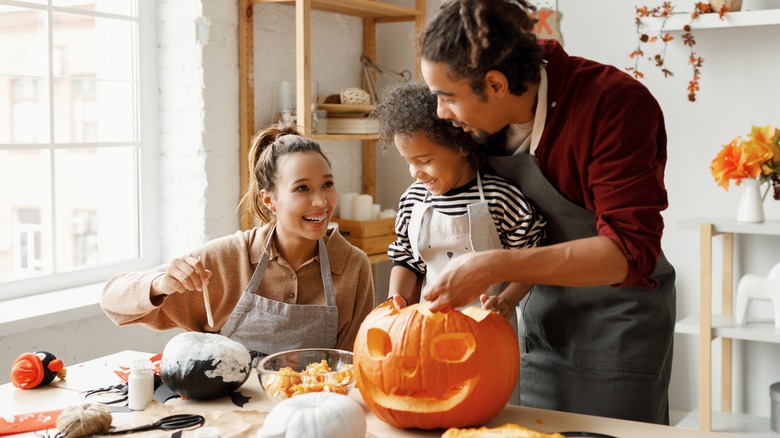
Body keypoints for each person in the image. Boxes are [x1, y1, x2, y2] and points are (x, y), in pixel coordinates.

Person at [417, 0, 676, 425]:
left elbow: (627, 253)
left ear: (497, 85)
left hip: (618, 323)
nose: (441, 113)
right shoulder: (471, 121)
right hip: (535, 319)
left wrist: (491, 265)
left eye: (447, 98)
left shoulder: (614, 105)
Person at [101, 123, 375, 355]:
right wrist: (159, 283)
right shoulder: (231, 259)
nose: (321, 201)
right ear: (270, 200)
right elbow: (112, 300)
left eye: (327, 184)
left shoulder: (352, 266)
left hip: (314, 409)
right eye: (302, 188)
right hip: (230, 413)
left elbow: (353, 366)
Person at [375, 82, 546, 404]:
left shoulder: (501, 197)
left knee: (490, 406)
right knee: (437, 401)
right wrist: (395, 301)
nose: (415, 173)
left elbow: (531, 259)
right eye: (407, 161)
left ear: (462, 144)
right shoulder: (413, 200)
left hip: (489, 331)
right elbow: (407, 259)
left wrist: (507, 301)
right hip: (429, 331)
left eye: (424, 160)